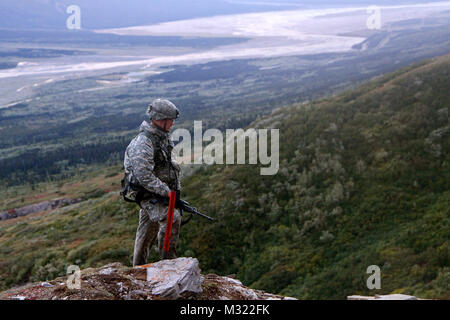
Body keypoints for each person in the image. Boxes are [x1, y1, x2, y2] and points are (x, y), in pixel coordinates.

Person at [123, 98, 182, 266]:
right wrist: (167, 192)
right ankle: (168, 264)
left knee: (147, 230)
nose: (172, 123)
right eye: (170, 120)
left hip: (158, 192)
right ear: (159, 119)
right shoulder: (144, 142)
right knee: (172, 218)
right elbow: (144, 176)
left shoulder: (162, 138)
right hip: (148, 192)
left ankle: (138, 267)